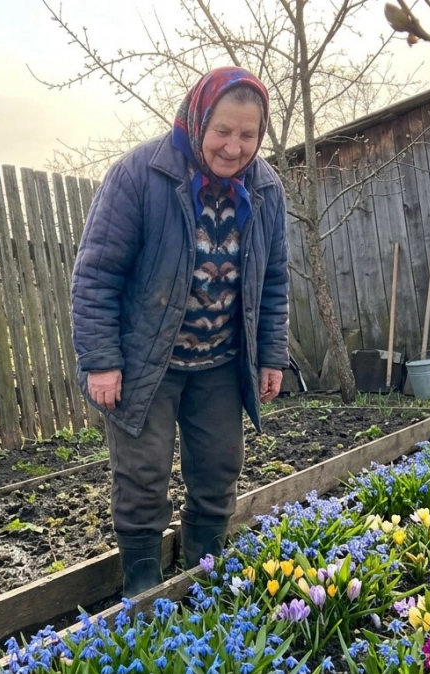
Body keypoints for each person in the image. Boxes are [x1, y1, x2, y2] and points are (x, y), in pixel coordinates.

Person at [71, 66, 290, 597]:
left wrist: (271, 355)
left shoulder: (265, 188)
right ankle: (144, 588)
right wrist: (101, 361)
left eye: (248, 134)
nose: (234, 147)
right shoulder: (140, 175)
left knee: (218, 470)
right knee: (142, 477)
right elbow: (96, 274)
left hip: (221, 363)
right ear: (198, 120)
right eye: (223, 131)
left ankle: (204, 578)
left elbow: (274, 279)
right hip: (146, 363)